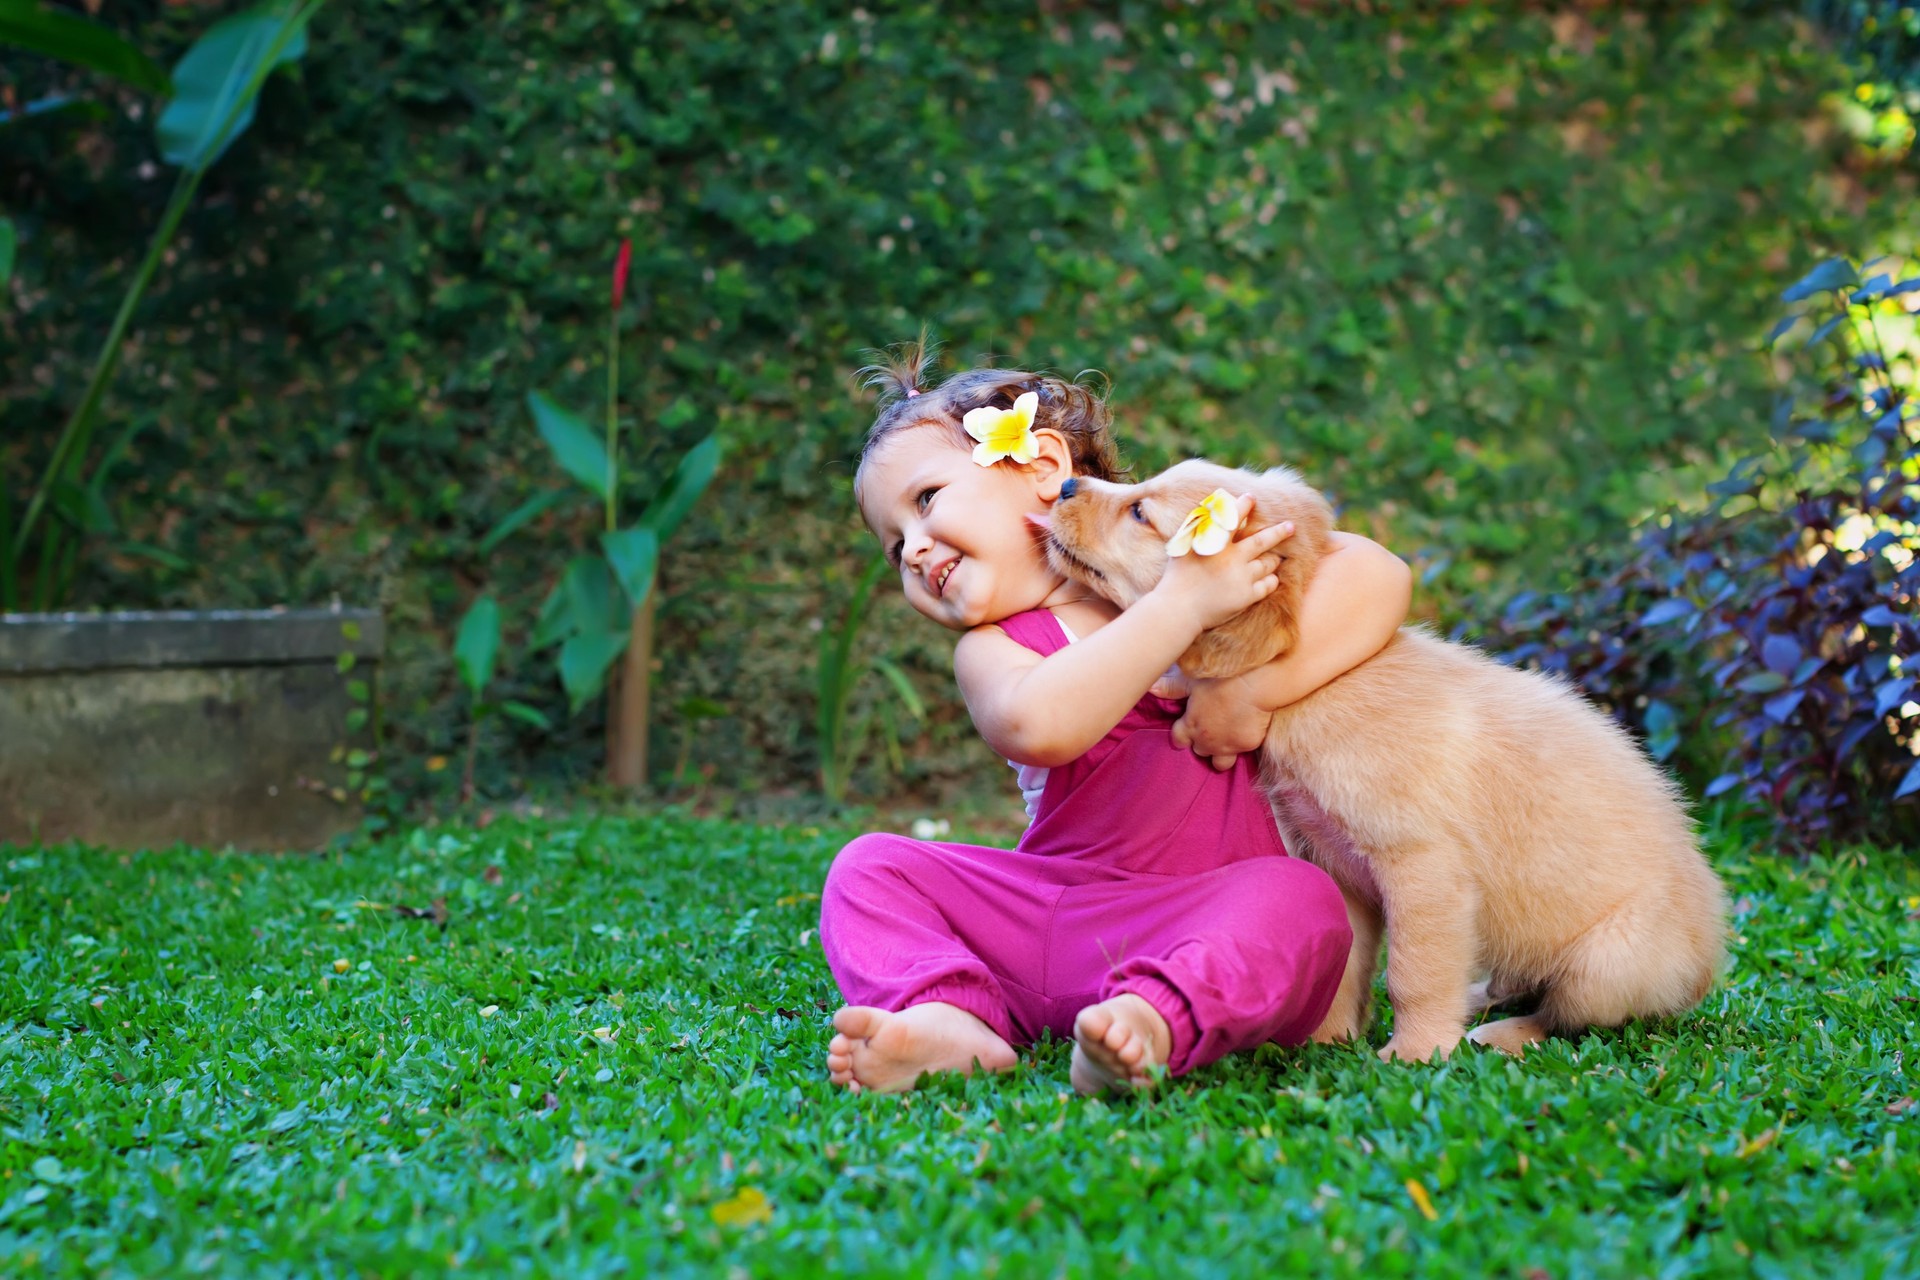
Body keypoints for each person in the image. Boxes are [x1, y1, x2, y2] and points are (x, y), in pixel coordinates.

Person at [821, 345, 1412, 1095]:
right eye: (892, 545)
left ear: (1038, 466)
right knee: (869, 868)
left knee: (1301, 899)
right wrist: (1183, 605)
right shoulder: (995, 649)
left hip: (1204, 921)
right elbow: (1040, 726)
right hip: (1050, 920)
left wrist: (1253, 691)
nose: (913, 550)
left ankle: (1150, 1022)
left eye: (927, 499)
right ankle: (950, 1017)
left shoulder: (1178, 552)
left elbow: (1375, 571)